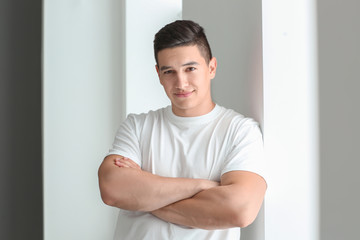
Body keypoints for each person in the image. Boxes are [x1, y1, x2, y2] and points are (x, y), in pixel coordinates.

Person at [98, 20, 267, 240]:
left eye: (190, 69)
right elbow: (113, 189)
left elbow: (240, 209)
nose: (181, 83)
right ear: (158, 74)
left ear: (212, 67)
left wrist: (143, 199)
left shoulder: (240, 131)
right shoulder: (137, 126)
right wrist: (201, 186)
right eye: (169, 71)